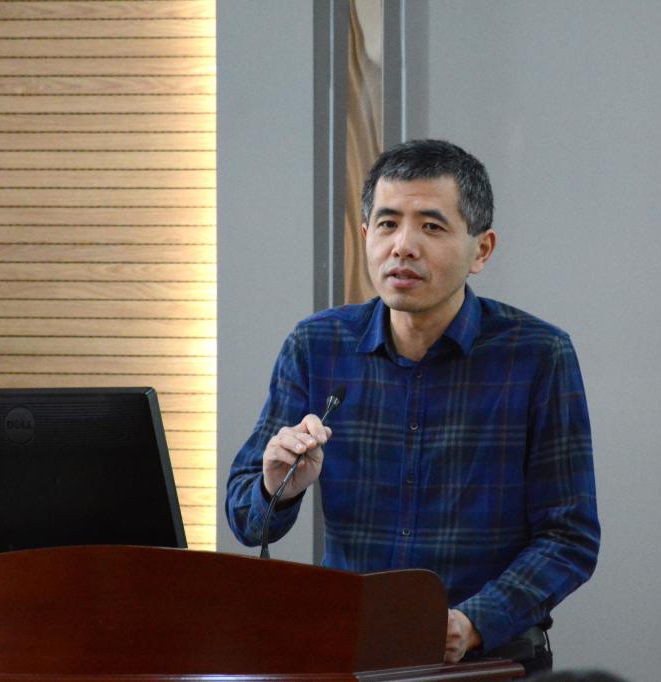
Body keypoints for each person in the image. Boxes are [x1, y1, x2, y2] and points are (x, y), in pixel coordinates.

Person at [226, 139, 599, 674]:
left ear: (481, 250)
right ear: (365, 237)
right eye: (387, 224)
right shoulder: (317, 346)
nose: (403, 246)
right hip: (355, 658)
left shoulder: (538, 355)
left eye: (431, 226)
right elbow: (246, 518)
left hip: (490, 661)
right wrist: (275, 486)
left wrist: (473, 622)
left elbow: (569, 536)